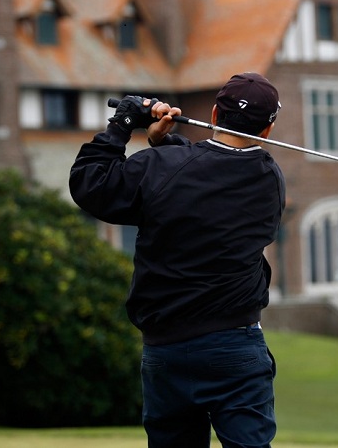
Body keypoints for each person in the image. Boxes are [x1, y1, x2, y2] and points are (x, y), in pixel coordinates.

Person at [69, 72, 284, 448]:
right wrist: (165, 143)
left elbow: (91, 184)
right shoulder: (270, 178)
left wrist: (123, 125)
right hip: (236, 346)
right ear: (267, 130)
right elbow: (205, 170)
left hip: (166, 349)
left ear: (215, 114)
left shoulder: (163, 167)